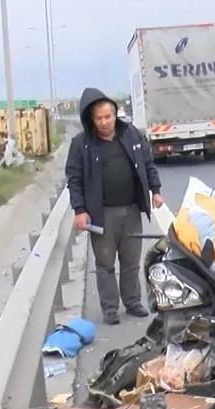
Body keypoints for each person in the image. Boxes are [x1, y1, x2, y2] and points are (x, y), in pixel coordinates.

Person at [65, 87, 163, 325]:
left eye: (108, 116)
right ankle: (110, 308)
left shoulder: (131, 134)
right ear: (91, 119)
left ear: (115, 114)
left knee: (130, 261)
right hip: (101, 214)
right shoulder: (82, 144)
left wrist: (155, 190)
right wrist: (79, 210)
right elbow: (74, 178)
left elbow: (147, 163)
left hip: (130, 210)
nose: (104, 122)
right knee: (105, 263)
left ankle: (133, 302)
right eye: (99, 118)